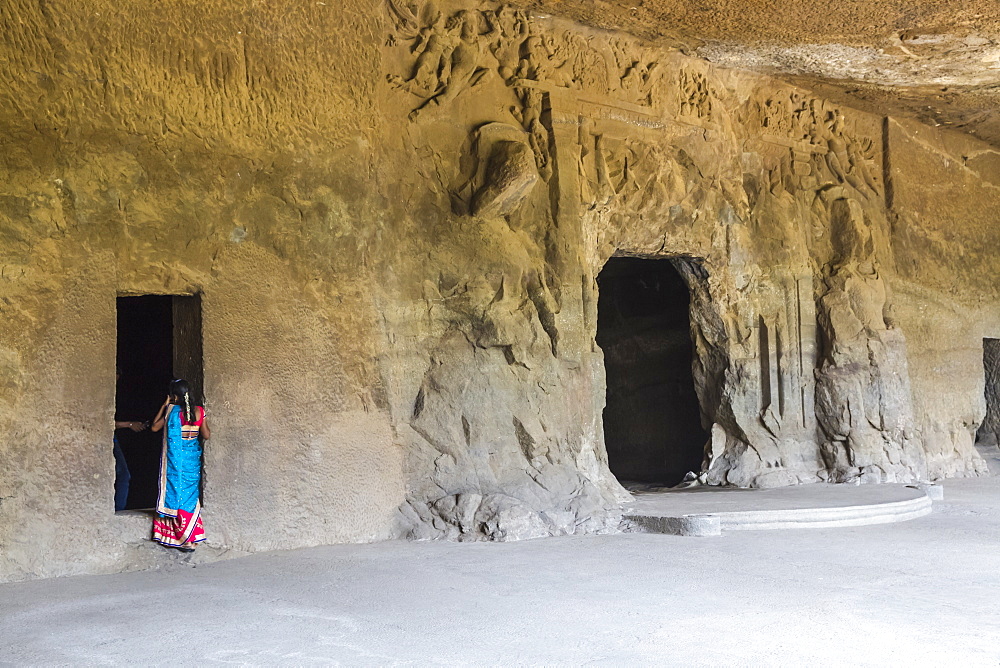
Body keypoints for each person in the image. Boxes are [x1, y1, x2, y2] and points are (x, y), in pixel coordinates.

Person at [149, 379, 210, 552]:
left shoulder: (171, 411)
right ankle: (190, 537)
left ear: (174, 396)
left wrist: (164, 406)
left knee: (176, 493)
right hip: (192, 460)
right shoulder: (199, 411)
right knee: (189, 497)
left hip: (176, 462)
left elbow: (154, 427)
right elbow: (206, 435)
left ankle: (180, 537)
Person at [113, 368, 146, 511]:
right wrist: (130, 424)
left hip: (114, 438)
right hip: (111, 438)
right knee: (123, 474)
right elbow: (105, 422)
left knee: (123, 474)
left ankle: (119, 507)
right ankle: (118, 509)